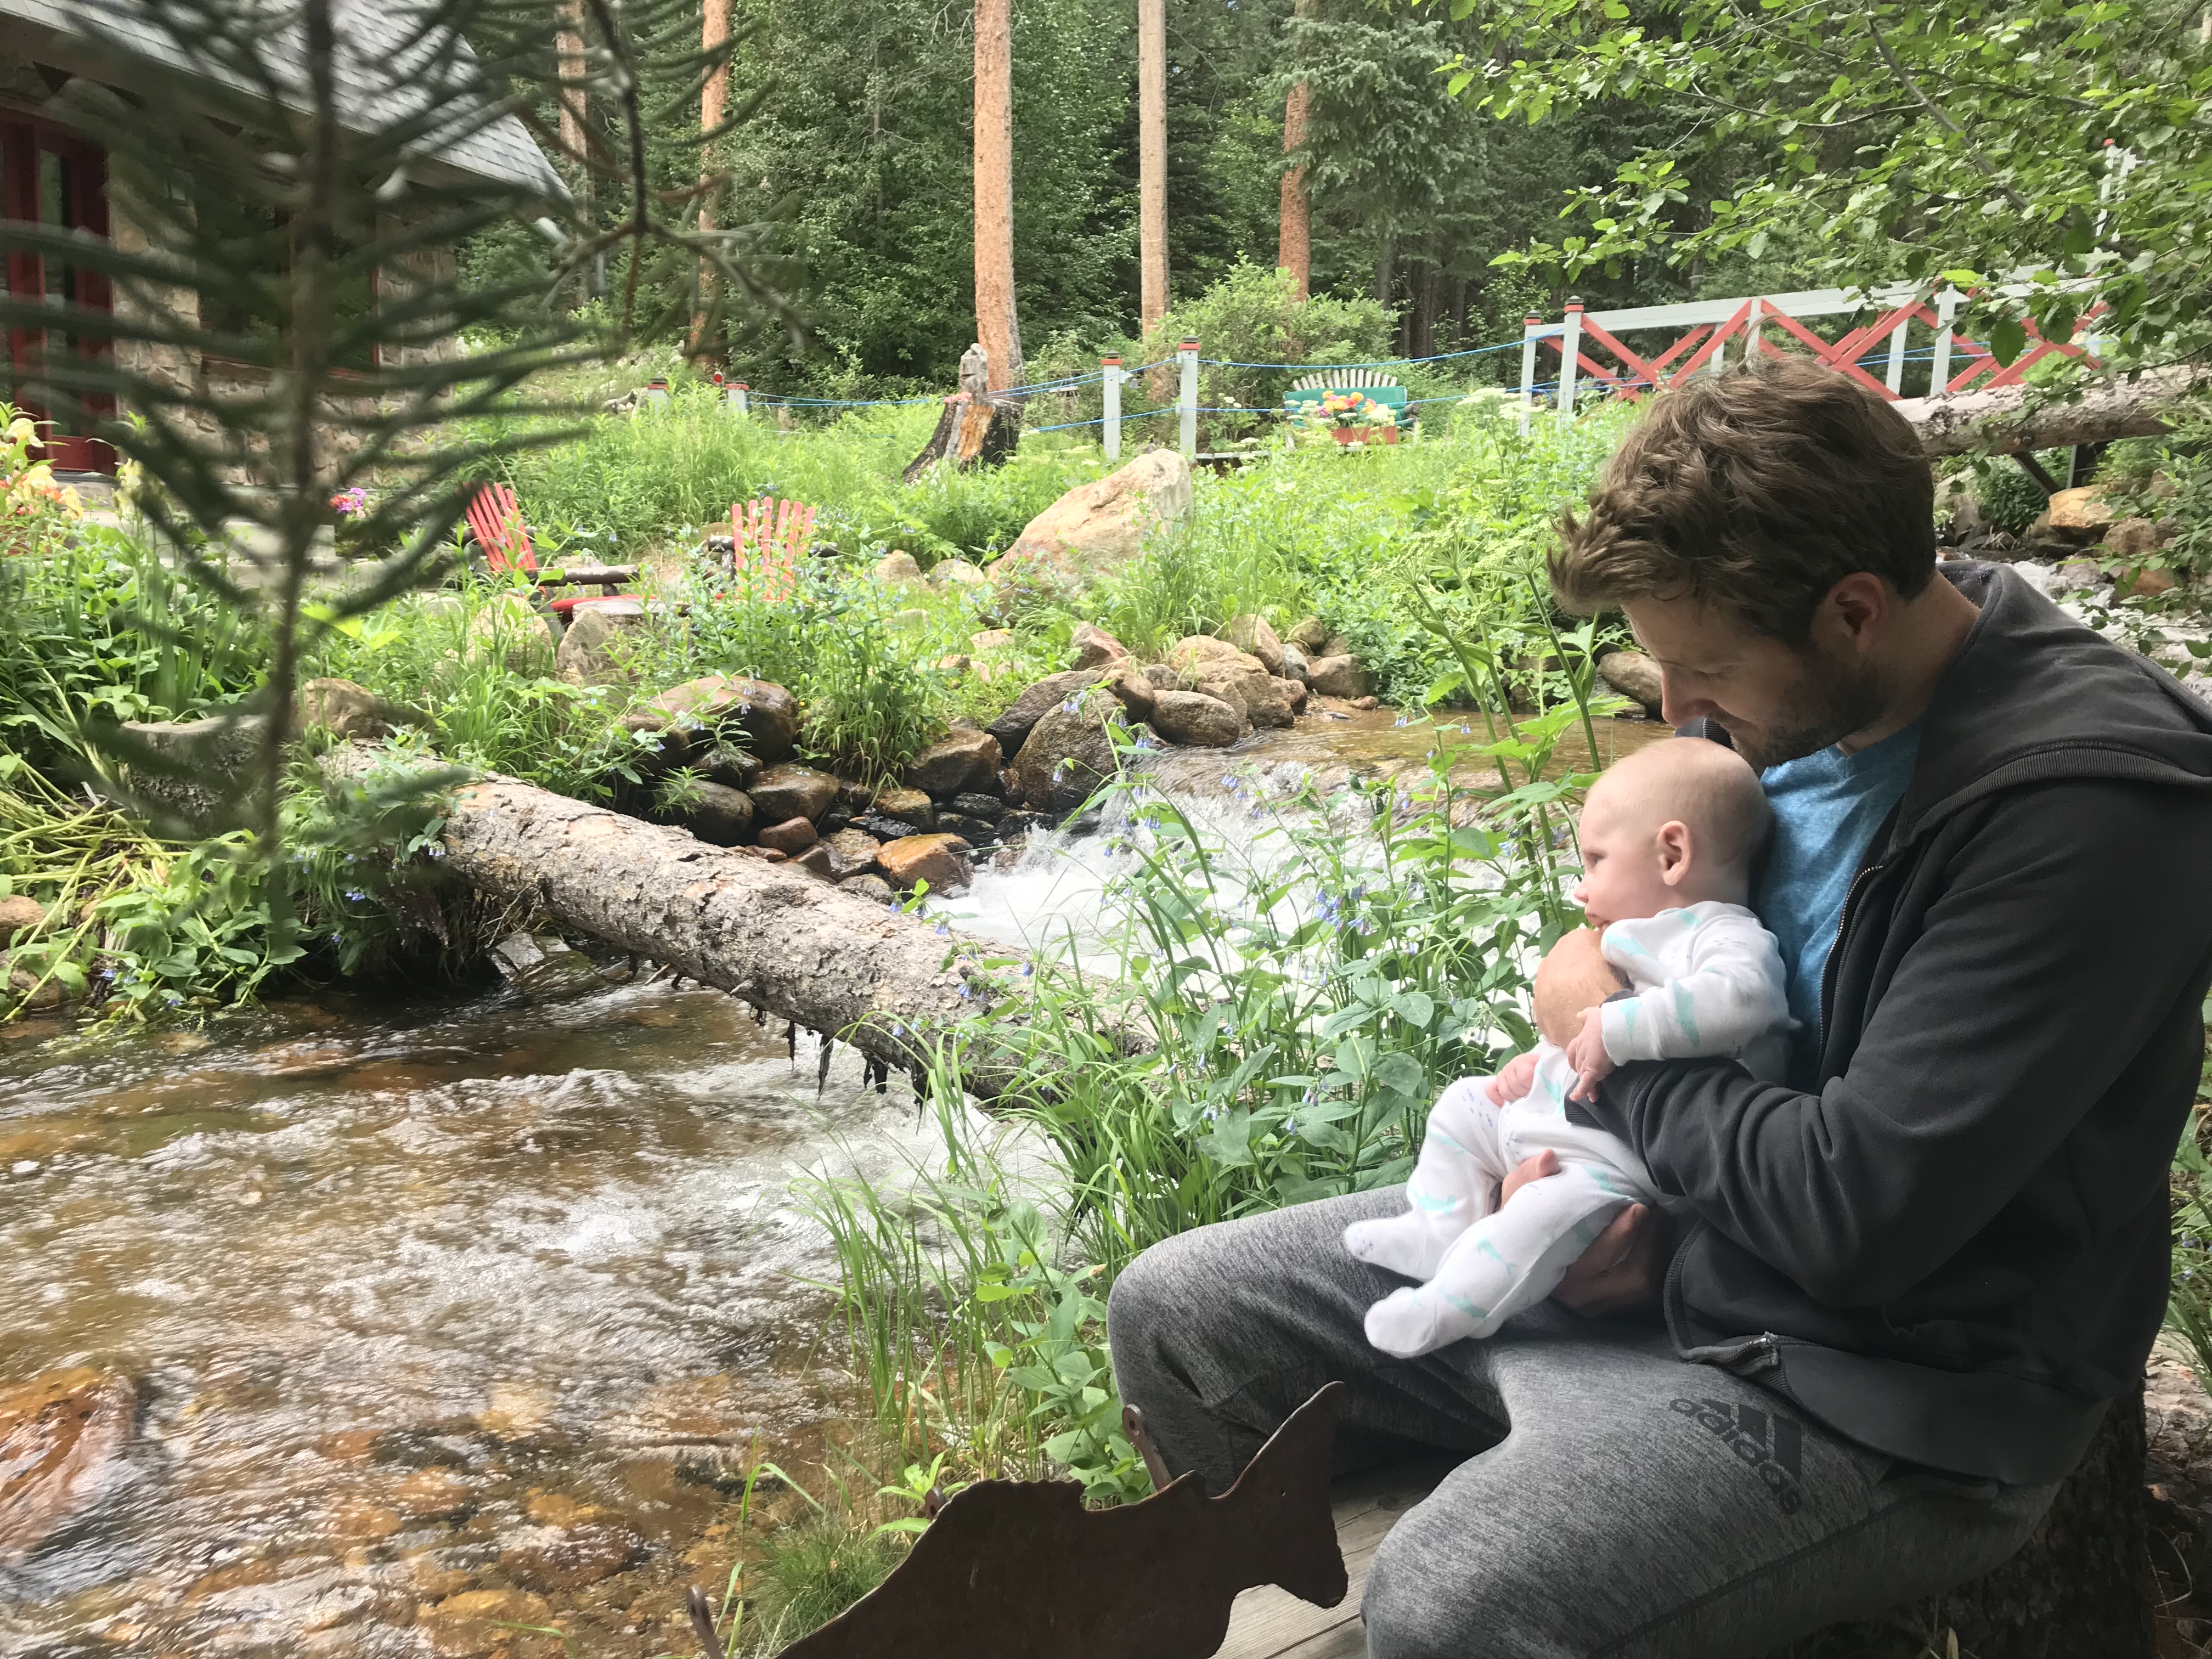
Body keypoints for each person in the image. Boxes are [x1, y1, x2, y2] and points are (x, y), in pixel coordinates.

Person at [1106, 358, 2212, 1657]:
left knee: (1460, 1603)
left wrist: (1616, 1066)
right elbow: (1636, 955)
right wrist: (1612, 1148)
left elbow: (1858, 1214)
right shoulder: (1816, 687)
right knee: (1179, 1315)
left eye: (1704, 672)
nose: (1678, 715)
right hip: (1656, 1239)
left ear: (1855, 612)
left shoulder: (2088, 814)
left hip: (1883, 1380)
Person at [1345, 738, 1793, 1359]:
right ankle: (1437, 1228)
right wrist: (1540, 1062)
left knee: (1535, 1219)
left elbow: (1742, 1001)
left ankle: (1450, 1308)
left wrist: (1619, 1025)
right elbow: (1586, 1037)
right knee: (1462, 1105)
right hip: (1561, 1119)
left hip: (1615, 1166)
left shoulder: (1724, 935)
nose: (1581, 890)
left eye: (1596, 861)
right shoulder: (1632, 932)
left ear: (1672, 855)